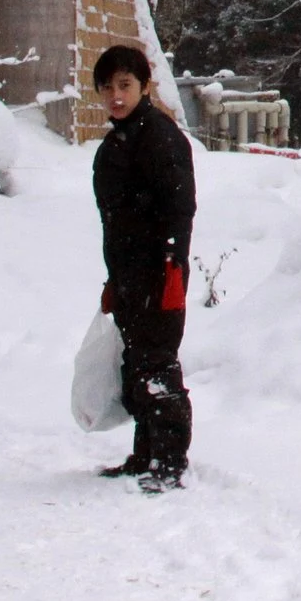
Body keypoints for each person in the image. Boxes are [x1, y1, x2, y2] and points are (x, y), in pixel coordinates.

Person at [90, 43, 195, 493]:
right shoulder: (115, 143)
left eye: (125, 85)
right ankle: (144, 454)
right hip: (128, 273)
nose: (116, 94)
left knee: (158, 365)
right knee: (135, 365)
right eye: (108, 87)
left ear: (144, 86)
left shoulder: (160, 137)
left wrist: (172, 268)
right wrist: (114, 279)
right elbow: (113, 221)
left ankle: (170, 461)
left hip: (159, 272)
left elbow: (180, 208)